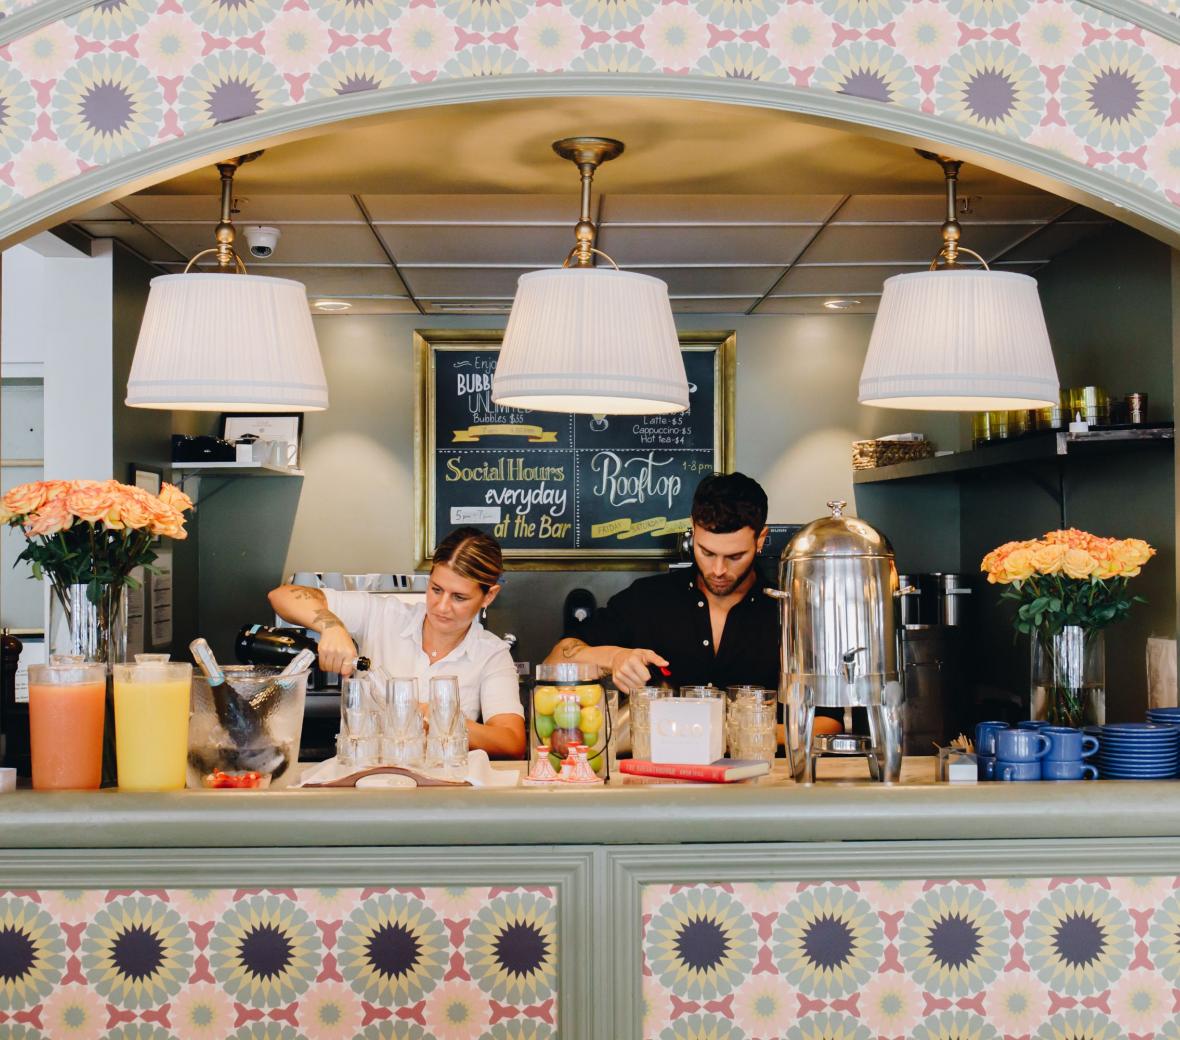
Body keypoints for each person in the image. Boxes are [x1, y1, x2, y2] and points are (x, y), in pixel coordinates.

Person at [269, 527, 525, 758]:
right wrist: (331, 626)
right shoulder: (382, 615)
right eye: (436, 589)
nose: (442, 606)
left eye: (459, 597)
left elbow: (511, 741)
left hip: (444, 796)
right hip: (367, 784)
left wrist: (439, 719)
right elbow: (282, 596)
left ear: (488, 596)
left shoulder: (491, 654)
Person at [546, 472, 779, 692]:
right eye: (706, 552)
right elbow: (554, 662)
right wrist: (613, 658)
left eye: (735, 557)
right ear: (693, 529)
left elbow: (815, 721)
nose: (718, 570)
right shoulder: (648, 599)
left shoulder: (787, 612)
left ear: (760, 539)